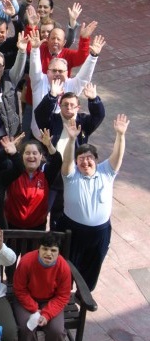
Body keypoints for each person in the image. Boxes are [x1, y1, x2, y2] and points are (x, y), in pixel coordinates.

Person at [58, 114, 130, 292]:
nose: (85, 161)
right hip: (71, 231)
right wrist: (72, 138)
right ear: (76, 162)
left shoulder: (106, 172)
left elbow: (117, 156)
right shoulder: (71, 175)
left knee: (91, 272)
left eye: (89, 157)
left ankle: (84, 298)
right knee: (65, 269)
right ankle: (62, 299)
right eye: (81, 158)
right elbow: (67, 160)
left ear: (96, 160)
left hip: (99, 233)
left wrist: (120, 135)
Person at [34, 81, 106, 229]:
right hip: (52, 174)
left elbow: (99, 116)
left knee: (62, 214)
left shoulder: (83, 122)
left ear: (78, 107)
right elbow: (40, 113)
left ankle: (58, 242)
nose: (69, 107)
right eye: (65, 104)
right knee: (42, 210)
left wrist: (94, 100)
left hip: (74, 175)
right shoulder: (52, 121)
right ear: (60, 105)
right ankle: (39, 241)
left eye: (72, 105)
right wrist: (52, 96)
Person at [13, 235, 72, 341]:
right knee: (27, 329)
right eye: (45, 249)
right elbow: (19, 289)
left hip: (50, 301)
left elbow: (63, 295)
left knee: (57, 330)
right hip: (27, 300)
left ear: (58, 252)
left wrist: (46, 314)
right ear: (38, 249)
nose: (48, 254)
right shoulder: (26, 261)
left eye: (53, 250)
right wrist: (35, 309)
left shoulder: (63, 267)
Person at [29, 29, 105, 138]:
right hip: (38, 138)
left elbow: (84, 77)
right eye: (54, 70)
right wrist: (35, 49)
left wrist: (93, 56)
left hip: (62, 137)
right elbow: (34, 66)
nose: (57, 74)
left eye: (61, 71)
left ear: (67, 72)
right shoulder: (39, 80)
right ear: (47, 71)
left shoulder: (72, 85)